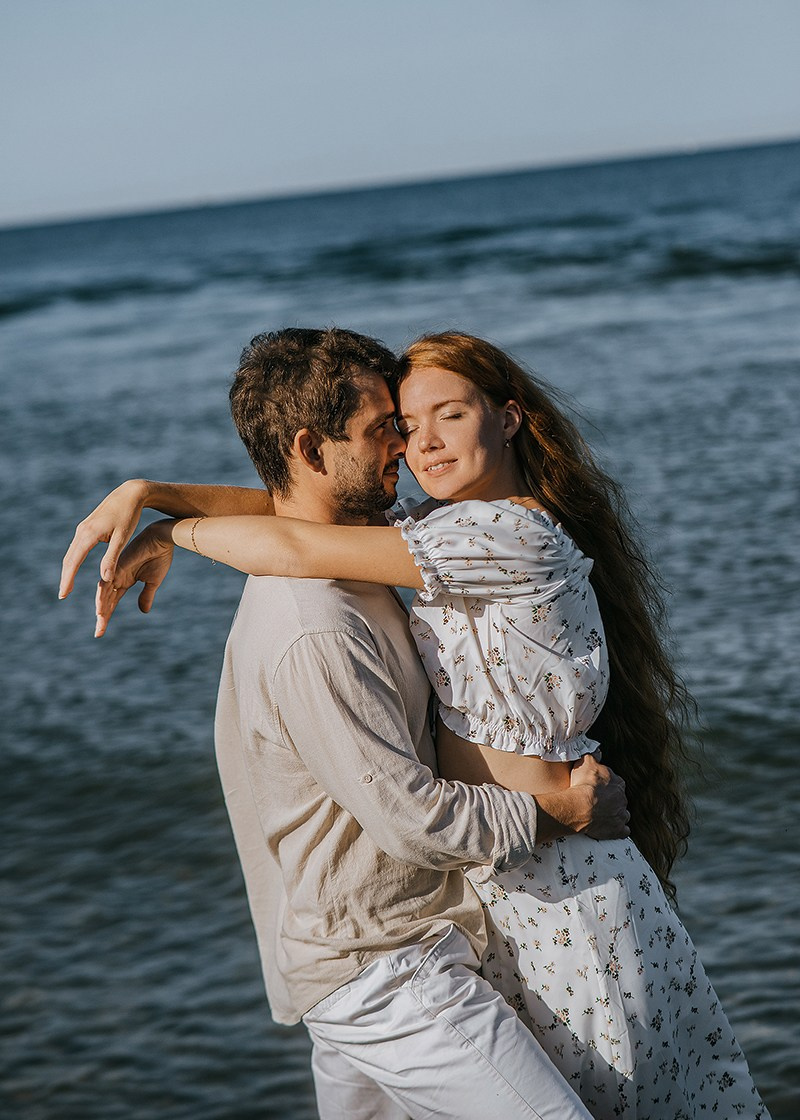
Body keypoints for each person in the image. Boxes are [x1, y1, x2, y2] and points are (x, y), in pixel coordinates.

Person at [66, 329, 771, 1119]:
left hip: (522, 898)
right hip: (449, 917)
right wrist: (155, 503)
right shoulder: (384, 569)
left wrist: (163, 517)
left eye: (446, 415)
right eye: (393, 426)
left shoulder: (485, 537)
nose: (413, 445)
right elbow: (291, 527)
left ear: (507, 419)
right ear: (311, 445)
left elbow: (293, 534)